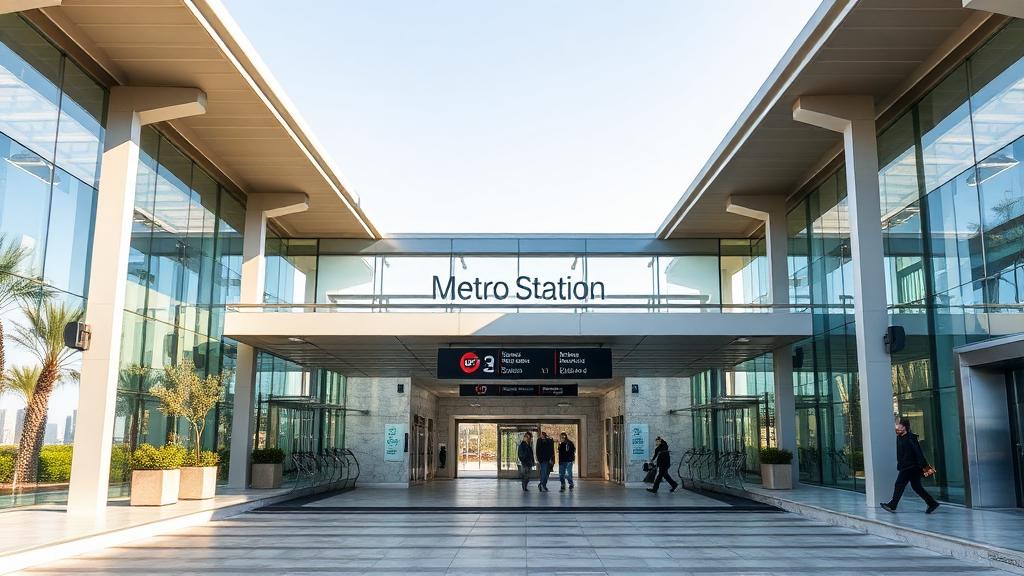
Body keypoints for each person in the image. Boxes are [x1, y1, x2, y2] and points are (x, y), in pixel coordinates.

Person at [881, 418, 939, 514]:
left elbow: (918, 452)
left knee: (899, 484)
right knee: (916, 487)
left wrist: (924, 466)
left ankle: (893, 505)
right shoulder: (899, 437)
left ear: (904, 427)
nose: (897, 427)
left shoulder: (911, 438)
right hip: (905, 466)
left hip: (911, 466)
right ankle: (932, 503)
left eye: (899, 425)